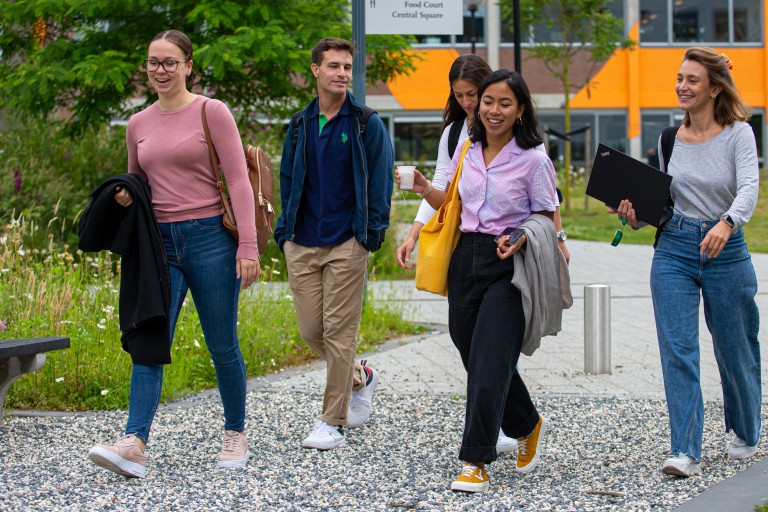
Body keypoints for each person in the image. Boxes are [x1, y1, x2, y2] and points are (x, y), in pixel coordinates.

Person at [87, 29, 260, 478]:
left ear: (188, 65)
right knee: (151, 340)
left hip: (210, 242)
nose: (159, 70)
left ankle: (235, 432)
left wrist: (247, 245)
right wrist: (126, 196)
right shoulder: (138, 123)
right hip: (158, 246)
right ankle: (134, 442)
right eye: (152, 62)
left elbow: (240, 180)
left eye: (169, 62)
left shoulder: (212, 112)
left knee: (222, 343)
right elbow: (136, 182)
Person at [616, 47, 761, 477]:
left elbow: (749, 188)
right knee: (678, 350)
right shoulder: (667, 140)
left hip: (726, 250)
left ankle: (746, 429)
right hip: (675, 248)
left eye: (693, 80)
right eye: (680, 78)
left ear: (715, 88)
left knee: (735, 349)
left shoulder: (739, 134)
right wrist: (633, 215)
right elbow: (659, 205)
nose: (683, 86)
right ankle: (685, 449)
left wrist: (728, 223)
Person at [423, 69, 559, 492]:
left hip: (509, 265)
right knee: (470, 348)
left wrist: (522, 235)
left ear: (520, 110)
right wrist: (422, 196)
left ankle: (475, 460)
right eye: (488, 102)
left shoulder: (533, 159)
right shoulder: (466, 146)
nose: (493, 110)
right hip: (466, 257)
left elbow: (546, 213)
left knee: (488, 361)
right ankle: (526, 422)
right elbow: (451, 201)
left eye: (505, 103)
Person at [274, 38, 394, 450]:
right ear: (315, 70)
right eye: (334, 66)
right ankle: (361, 378)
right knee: (312, 330)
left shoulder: (365, 122)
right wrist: (283, 234)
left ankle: (332, 422)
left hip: (348, 241)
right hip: (303, 241)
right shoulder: (299, 125)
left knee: (339, 334)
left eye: (347, 67)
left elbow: (380, 182)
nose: (342, 73)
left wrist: (369, 236)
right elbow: (288, 179)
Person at [395, 58, 569, 271]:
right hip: (467, 248)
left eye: (472, 94)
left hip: (510, 248)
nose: (466, 102)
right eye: (459, 95)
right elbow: (444, 192)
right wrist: (413, 235)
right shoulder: (456, 138)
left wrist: (558, 238)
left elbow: (546, 196)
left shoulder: (525, 141)